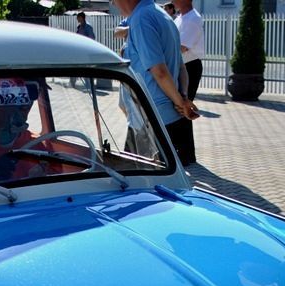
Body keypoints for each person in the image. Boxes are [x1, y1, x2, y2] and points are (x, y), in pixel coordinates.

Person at [113, 0, 198, 166]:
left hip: (150, 120)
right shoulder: (164, 16)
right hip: (167, 118)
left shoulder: (141, 18)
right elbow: (181, 68)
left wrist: (181, 102)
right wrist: (183, 98)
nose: (115, 4)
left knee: (135, 178)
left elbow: (159, 71)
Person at [174, 0, 205, 101]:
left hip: (189, 67)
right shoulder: (179, 18)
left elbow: (182, 47)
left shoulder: (193, 18)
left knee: (183, 103)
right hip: (180, 65)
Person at [71, 13, 96, 90]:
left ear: (82, 18)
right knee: (75, 67)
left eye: (78, 17)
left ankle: (89, 86)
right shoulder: (79, 27)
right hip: (79, 51)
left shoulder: (88, 27)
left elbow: (91, 39)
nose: (77, 19)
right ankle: (72, 84)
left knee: (85, 68)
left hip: (86, 52)